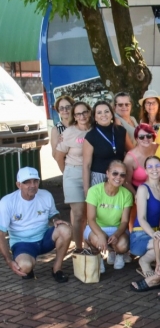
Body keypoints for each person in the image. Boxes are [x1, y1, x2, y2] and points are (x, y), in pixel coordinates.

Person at [0, 167, 71, 283]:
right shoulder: (6, 202)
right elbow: (1, 234)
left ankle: (57, 269)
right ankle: (28, 265)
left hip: (44, 238)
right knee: (24, 267)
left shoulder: (46, 195)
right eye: (26, 182)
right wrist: (8, 261)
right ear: (18, 185)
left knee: (65, 229)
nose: (32, 185)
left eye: (35, 181)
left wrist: (56, 219)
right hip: (22, 242)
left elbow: (54, 214)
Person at [55, 101, 91, 251]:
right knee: (77, 214)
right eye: (78, 114)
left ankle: (90, 246)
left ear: (89, 113)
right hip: (73, 173)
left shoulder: (95, 130)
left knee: (90, 214)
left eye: (84, 112)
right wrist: (67, 174)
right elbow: (59, 157)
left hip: (91, 173)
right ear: (74, 116)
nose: (82, 116)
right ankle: (78, 248)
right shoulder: (68, 133)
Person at [85, 160, 134, 271]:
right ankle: (99, 258)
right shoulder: (94, 191)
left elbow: (125, 221)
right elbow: (91, 219)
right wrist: (101, 235)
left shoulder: (127, 194)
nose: (118, 177)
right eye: (115, 173)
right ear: (107, 173)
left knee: (122, 245)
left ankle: (118, 254)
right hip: (97, 227)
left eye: (122, 175)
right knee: (97, 240)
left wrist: (116, 234)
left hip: (116, 228)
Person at [130, 155, 160, 277]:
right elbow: (141, 218)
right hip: (141, 235)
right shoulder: (143, 189)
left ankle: (151, 260)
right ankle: (144, 261)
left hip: (159, 233)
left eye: (158, 166)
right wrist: (153, 235)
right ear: (146, 171)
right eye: (150, 167)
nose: (154, 169)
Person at [82, 100, 133, 193]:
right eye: (99, 112)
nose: (103, 115)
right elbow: (86, 165)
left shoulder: (121, 131)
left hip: (119, 177)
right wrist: (86, 189)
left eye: (106, 111)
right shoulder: (91, 136)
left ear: (111, 114)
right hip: (100, 177)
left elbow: (132, 152)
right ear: (95, 117)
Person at [124, 123, 158, 196]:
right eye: (141, 137)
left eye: (149, 136)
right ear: (137, 139)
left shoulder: (158, 148)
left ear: (153, 137)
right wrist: (137, 195)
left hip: (157, 187)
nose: (145, 139)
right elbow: (126, 182)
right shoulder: (130, 158)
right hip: (137, 189)